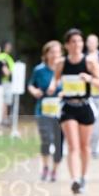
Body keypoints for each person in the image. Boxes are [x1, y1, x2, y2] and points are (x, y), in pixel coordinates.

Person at [49, 29, 99, 195]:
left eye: (79, 41)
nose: (77, 45)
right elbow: (56, 79)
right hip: (68, 107)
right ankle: (74, 180)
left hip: (85, 106)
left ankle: (83, 177)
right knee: (73, 146)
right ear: (67, 45)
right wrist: (53, 87)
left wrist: (90, 79)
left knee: (84, 147)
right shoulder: (61, 63)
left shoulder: (90, 63)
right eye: (73, 41)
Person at [27, 41, 63, 181]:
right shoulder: (39, 70)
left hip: (60, 110)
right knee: (46, 139)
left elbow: (71, 85)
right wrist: (34, 91)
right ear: (46, 54)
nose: (55, 55)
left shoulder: (63, 68)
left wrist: (63, 93)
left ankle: (55, 170)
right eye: (52, 52)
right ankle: (45, 166)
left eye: (57, 52)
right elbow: (30, 84)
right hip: (43, 109)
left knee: (59, 142)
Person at [86, 33, 99, 157]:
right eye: (89, 42)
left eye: (93, 42)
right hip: (88, 95)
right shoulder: (83, 57)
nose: (91, 44)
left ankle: (96, 143)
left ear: (97, 43)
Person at [0, 41, 15, 126]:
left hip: (5, 82)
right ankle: (3, 119)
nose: (10, 48)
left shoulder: (5, 56)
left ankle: (3, 119)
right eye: (8, 46)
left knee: (5, 101)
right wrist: (9, 73)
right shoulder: (3, 57)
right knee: (4, 101)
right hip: (4, 82)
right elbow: (5, 70)